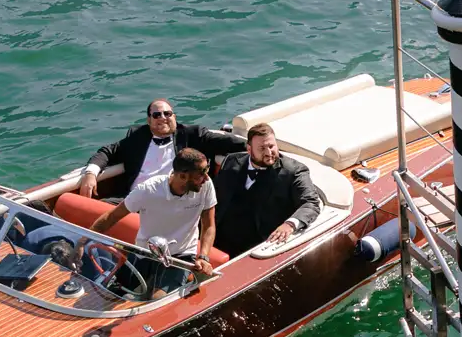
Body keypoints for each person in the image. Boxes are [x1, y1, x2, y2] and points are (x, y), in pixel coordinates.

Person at [78, 99, 246, 199]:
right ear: (149, 120)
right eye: (157, 115)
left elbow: (227, 142)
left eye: (168, 113)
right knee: (96, 213)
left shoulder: (193, 135)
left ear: (174, 116)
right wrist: (90, 174)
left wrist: (256, 146)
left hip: (174, 200)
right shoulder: (137, 137)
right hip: (134, 198)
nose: (163, 118)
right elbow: (107, 152)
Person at [93, 148, 219, 278]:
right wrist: (82, 242)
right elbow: (112, 216)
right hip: (144, 252)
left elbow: (209, 225)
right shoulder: (148, 189)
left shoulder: (206, 186)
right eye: (202, 173)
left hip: (182, 255)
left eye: (206, 170)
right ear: (182, 176)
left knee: (159, 296)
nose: (206, 178)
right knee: (115, 292)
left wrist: (203, 257)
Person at [212, 122, 323, 256]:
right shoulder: (231, 161)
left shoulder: (293, 172)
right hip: (218, 234)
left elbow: (311, 203)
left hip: (258, 242)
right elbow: (216, 195)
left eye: (271, 146)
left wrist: (290, 225)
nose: (268, 153)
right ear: (249, 149)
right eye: (262, 148)